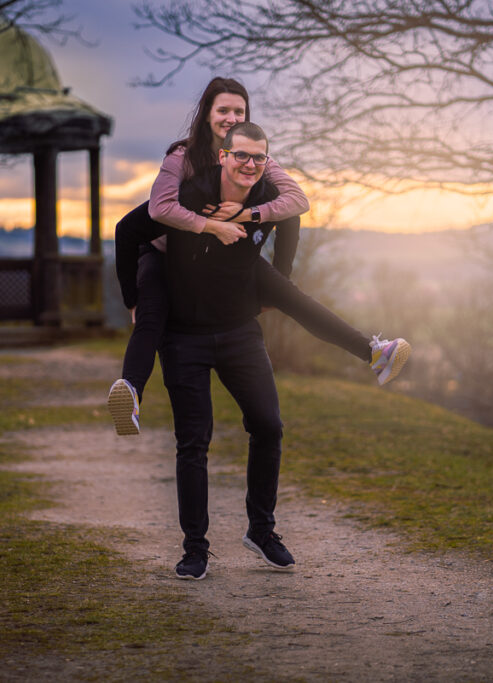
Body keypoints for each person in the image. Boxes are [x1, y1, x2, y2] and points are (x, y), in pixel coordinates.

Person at [108, 77, 411, 437]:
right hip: (164, 251)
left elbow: (296, 203)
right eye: (223, 110)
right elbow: (157, 211)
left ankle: (374, 354)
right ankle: (131, 395)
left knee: (294, 298)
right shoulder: (183, 157)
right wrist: (209, 226)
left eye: (239, 110)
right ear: (207, 114)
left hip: (228, 250)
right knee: (150, 314)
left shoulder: (255, 155)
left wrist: (245, 217)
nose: (231, 117)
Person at [118, 122, 299, 579]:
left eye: (259, 158)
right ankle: (195, 549)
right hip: (184, 336)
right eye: (242, 155)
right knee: (193, 443)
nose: (251, 164)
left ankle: (261, 531)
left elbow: (295, 209)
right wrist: (135, 299)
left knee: (269, 426)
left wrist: (269, 272)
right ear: (222, 153)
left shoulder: (262, 193)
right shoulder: (183, 191)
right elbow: (130, 227)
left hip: (239, 331)